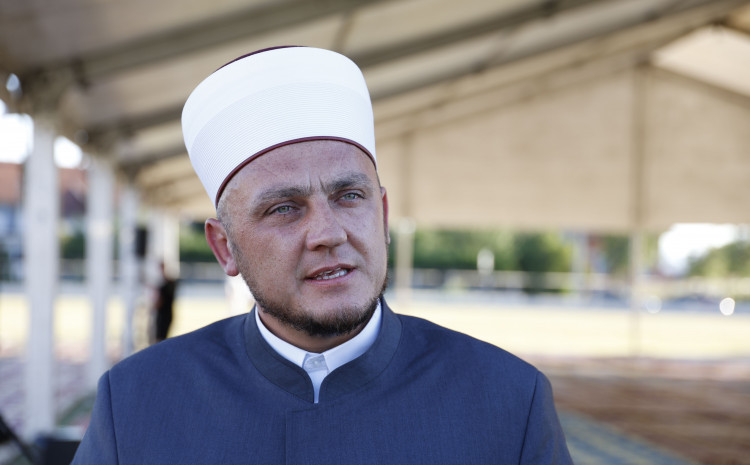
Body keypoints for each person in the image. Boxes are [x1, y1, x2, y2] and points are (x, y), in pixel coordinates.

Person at [72, 46, 573, 464]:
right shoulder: (136, 402)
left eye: (349, 196)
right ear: (225, 247)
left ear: (382, 215)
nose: (328, 234)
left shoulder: (509, 400)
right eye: (284, 208)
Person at [152, 261, 178, 343]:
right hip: (167, 315)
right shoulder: (169, 284)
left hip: (164, 316)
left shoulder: (167, 285)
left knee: (160, 339)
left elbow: (159, 303)